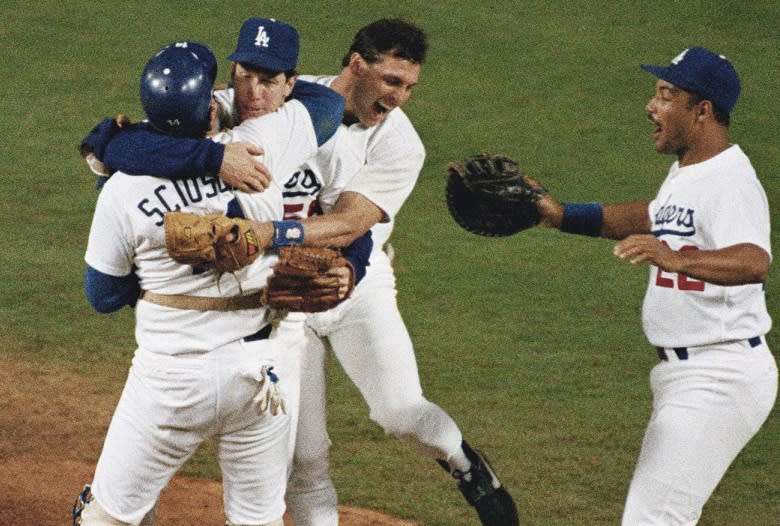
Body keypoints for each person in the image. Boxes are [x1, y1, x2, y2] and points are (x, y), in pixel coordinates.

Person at [81, 18, 519, 526]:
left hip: (351, 278)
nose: (254, 91)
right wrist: (215, 156)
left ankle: (464, 463)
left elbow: (353, 224)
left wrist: (312, 255)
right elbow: (118, 141)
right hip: (274, 296)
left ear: (289, 81)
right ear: (357, 66)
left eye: (407, 86)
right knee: (304, 458)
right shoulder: (254, 107)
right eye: (391, 82)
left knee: (399, 411)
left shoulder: (385, 140)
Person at [75, 36, 347, 525]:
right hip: (258, 373)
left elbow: (102, 296)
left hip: (169, 381)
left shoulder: (120, 187)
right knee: (257, 520)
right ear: (213, 103)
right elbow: (328, 103)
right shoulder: (261, 145)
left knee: (108, 517)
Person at [533, 47, 777, 524]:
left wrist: (674, 258)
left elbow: (754, 261)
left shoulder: (731, 181)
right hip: (686, 374)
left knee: (654, 519)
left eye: (667, 95)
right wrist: (561, 216)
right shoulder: (691, 170)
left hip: (719, 375)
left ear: (701, 110)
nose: (651, 105)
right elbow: (653, 215)